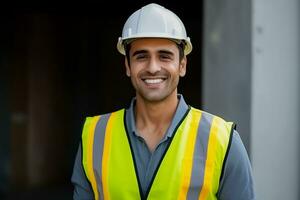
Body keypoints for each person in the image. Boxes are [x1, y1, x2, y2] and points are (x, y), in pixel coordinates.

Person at [71, 3, 256, 200]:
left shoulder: (222, 140)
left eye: (164, 56)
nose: (152, 67)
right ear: (127, 66)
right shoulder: (94, 135)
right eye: (141, 56)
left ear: (182, 65)